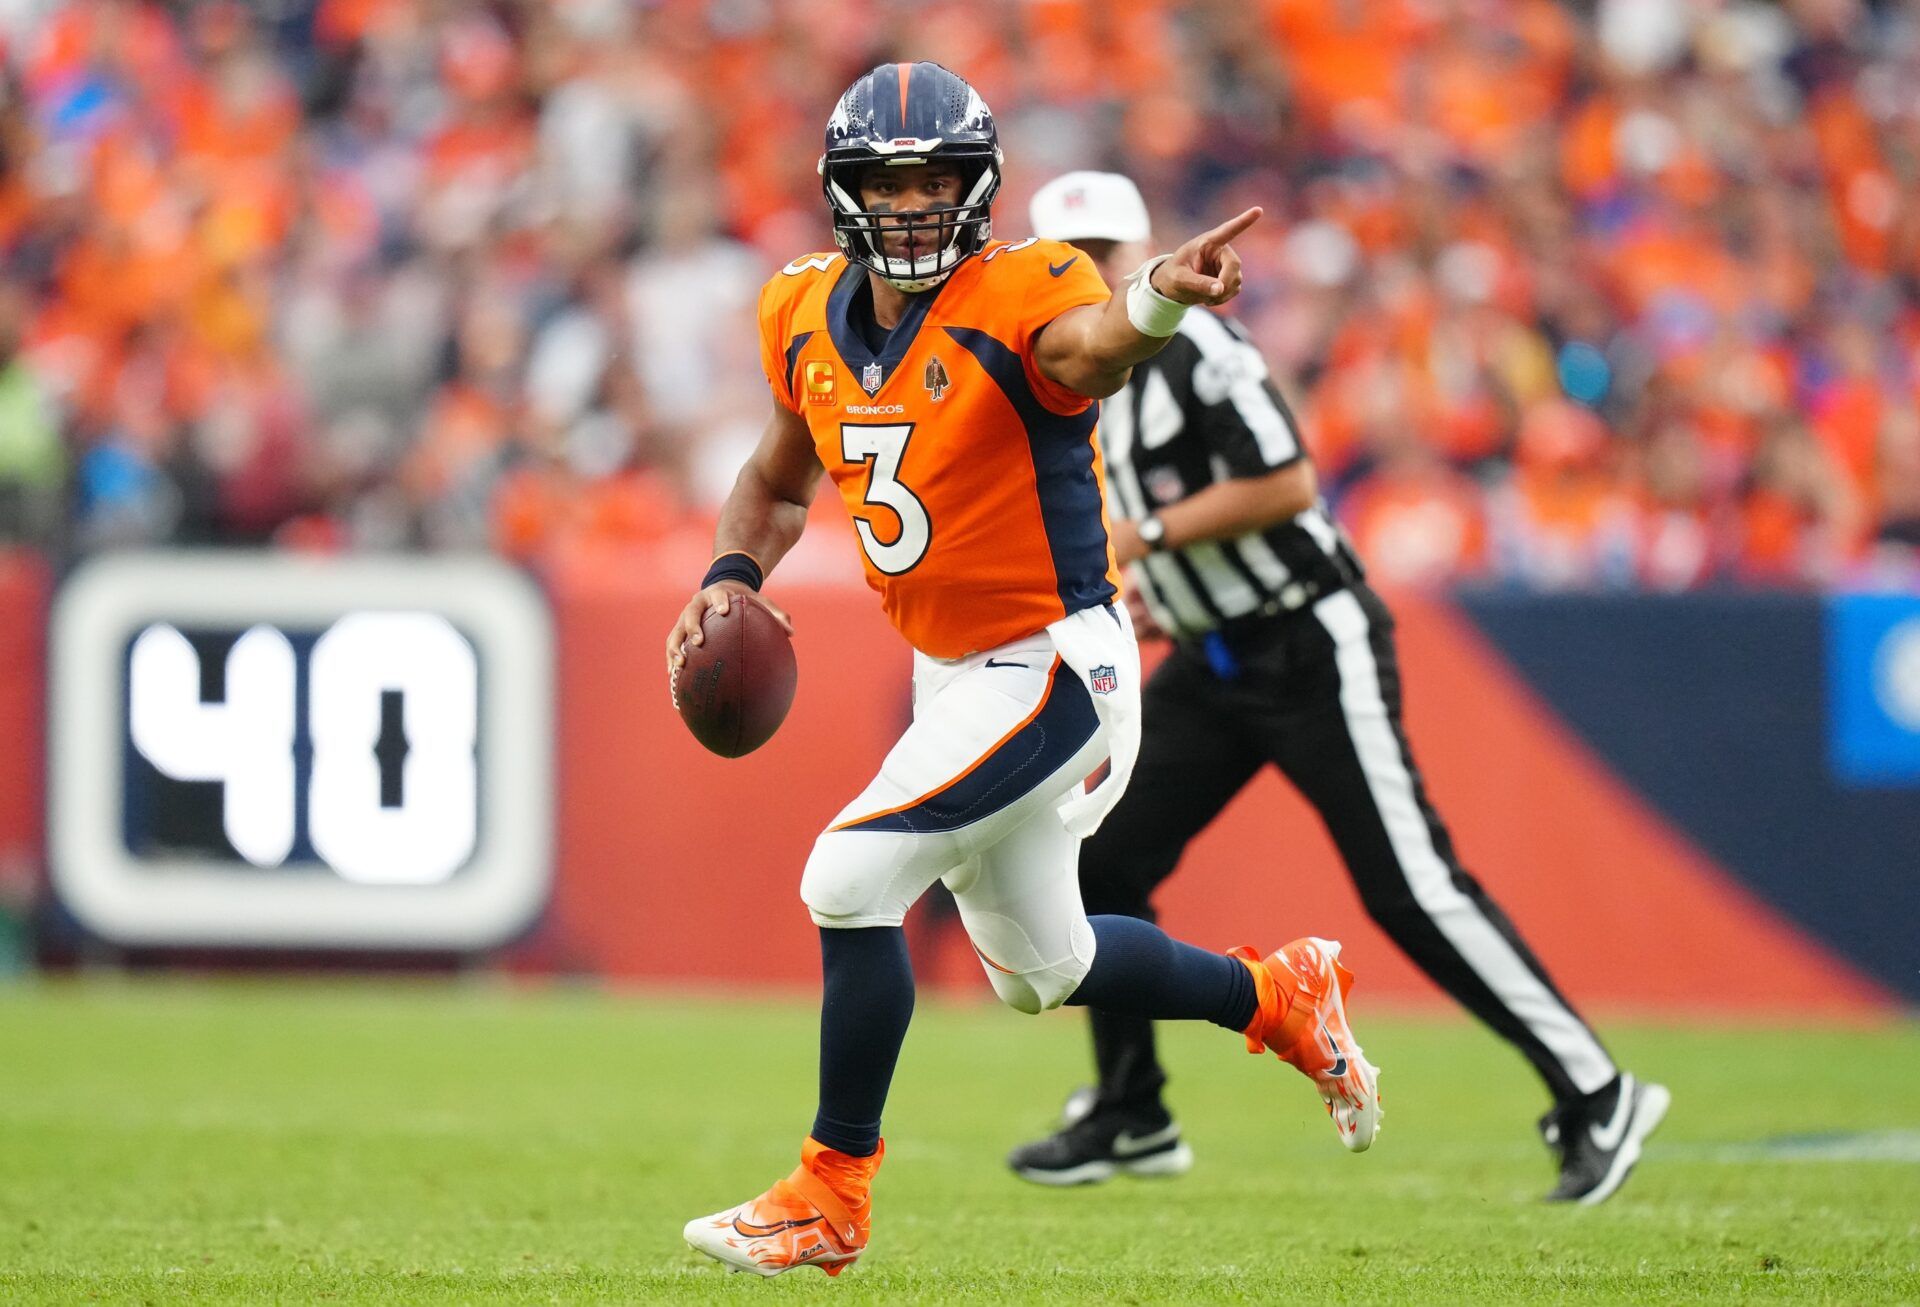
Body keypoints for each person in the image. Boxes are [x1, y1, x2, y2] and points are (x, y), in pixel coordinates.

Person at [665, 65, 1382, 1279]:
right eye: (886, 185)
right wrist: (733, 570)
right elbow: (780, 479)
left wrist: (1154, 295)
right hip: (956, 669)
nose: (909, 207)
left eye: (934, 181)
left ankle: (831, 1192)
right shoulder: (800, 313)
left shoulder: (1026, 286)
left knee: (847, 876)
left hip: (1056, 659)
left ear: (979, 187)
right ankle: (1279, 994)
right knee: (1045, 970)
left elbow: (1095, 348)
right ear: (843, 194)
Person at [1005, 171, 1669, 1206]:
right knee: (1103, 858)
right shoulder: (1063, 374)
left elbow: (1290, 483)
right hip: (1212, 655)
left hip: (1311, 639)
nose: (1088, 271)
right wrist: (1164, 590)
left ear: (1139, 250)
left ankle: (1597, 1088)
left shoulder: (1197, 345)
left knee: (1412, 884)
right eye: (1069, 254)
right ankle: (1132, 1107)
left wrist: (1151, 540)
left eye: (1104, 249)